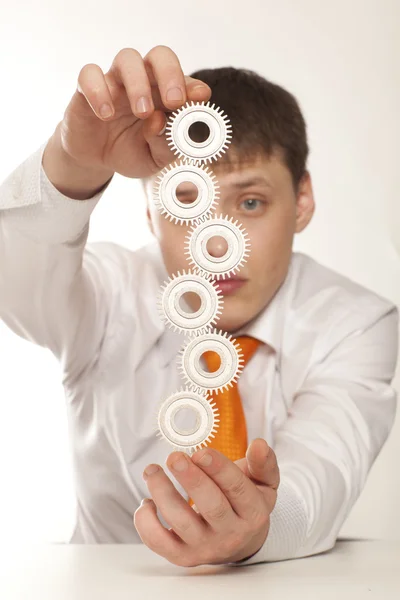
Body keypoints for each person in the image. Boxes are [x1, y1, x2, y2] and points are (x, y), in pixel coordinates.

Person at [0, 45, 397, 568]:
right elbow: (16, 276)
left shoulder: (354, 323)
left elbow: (322, 476)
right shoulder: (112, 294)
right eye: (187, 202)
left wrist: (257, 526)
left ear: (302, 201)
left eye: (250, 203)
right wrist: (72, 164)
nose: (216, 243)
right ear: (148, 212)